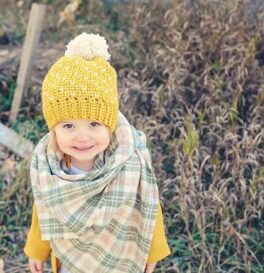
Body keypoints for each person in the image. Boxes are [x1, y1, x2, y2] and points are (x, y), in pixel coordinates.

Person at [24, 33, 170, 273]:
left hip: (117, 257)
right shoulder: (51, 167)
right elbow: (44, 208)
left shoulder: (130, 163)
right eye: (68, 126)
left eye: (94, 124)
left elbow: (149, 206)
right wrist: (36, 248)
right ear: (53, 129)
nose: (82, 137)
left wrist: (151, 251)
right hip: (71, 260)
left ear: (109, 124)